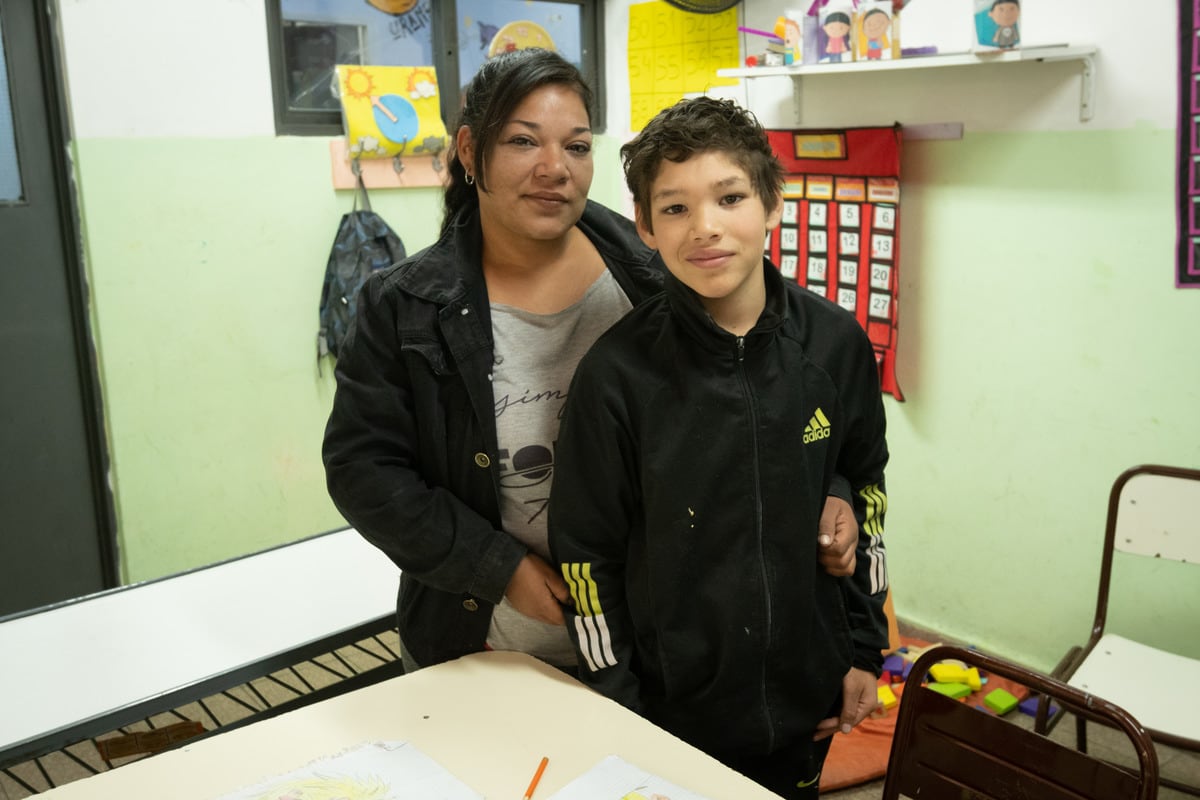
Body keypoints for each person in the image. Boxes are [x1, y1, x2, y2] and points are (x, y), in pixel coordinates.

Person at [322, 49, 861, 675]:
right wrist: (499, 568)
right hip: (488, 636)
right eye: (524, 142)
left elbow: (762, 402)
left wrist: (833, 488)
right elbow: (363, 469)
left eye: (576, 147)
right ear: (470, 153)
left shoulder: (658, 268)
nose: (554, 168)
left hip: (655, 638)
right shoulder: (407, 305)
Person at [547, 96, 890, 799]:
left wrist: (862, 651)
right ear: (644, 225)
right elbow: (586, 558)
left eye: (729, 197)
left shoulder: (836, 346)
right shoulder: (618, 376)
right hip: (669, 717)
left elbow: (868, 492)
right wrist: (620, 705)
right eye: (674, 208)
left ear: (771, 202)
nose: (705, 228)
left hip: (805, 701)